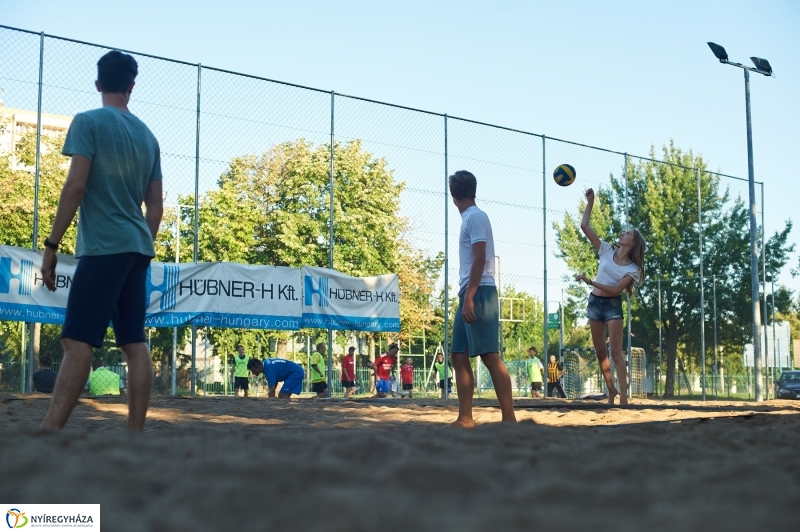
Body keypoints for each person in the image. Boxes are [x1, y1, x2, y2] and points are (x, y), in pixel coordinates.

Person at [39, 51, 163, 432]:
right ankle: (135, 434)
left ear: (97, 84)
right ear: (131, 86)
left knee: (78, 339)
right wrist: (139, 244)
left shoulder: (88, 122)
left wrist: (51, 245)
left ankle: (49, 431)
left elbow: (75, 186)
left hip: (104, 246)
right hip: (138, 248)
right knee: (132, 341)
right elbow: (155, 207)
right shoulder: (148, 135)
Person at [448, 170, 516, 427]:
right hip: (468, 291)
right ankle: (465, 418)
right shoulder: (470, 217)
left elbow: (479, 258)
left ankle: (509, 419)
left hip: (480, 291)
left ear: (453, 196)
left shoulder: (475, 217)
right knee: (458, 354)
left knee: (489, 355)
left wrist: (470, 297)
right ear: (473, 191)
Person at [574, 187, 646, 406]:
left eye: (627, 234)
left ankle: (624, 397)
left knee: (616, 352)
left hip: (612, 305)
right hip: (595, 303)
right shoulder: (606, 250)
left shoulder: (633, 269)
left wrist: (590, 281)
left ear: (632, 243)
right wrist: (590, 202)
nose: (622, 234)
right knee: (599, 352)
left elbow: (615, 291)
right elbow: (584, 227)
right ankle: (611, 390)